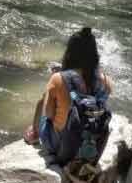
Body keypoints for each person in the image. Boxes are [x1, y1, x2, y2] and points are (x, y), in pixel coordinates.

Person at [23, 27, 113, 169]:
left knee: (43, 100)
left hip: (63, 150)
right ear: (94, 54)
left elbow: (49, 114)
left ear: (69, 53)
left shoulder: (58, 78)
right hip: (93, 148)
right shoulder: (106, 81)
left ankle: (33, 132)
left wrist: (52, 86)